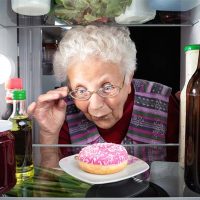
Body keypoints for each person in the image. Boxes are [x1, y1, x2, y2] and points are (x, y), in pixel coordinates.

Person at [28, 25, 179, 167]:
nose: (95, 106)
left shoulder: (163, 103)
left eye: (107, 87)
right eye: (81, 90)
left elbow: (179, 173)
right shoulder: (63, 110)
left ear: (128, 79)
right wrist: (49, 134)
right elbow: (52, 186)